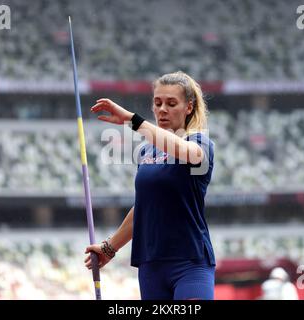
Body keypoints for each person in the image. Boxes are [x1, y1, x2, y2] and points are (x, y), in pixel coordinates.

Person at [84, 71, 216, 300]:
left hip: (190, 263)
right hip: (151, 265)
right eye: (158, 103)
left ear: (189, 107)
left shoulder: (199, 143)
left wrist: (130, 120)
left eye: (171, 103)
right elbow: (143, 208)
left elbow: (185, 152)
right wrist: (109, 248)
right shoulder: (146, 151)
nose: (162, 109)